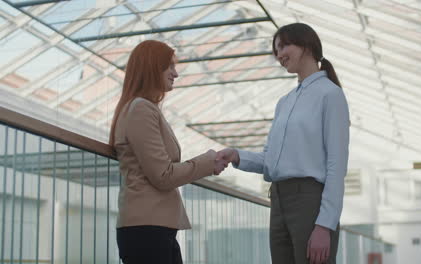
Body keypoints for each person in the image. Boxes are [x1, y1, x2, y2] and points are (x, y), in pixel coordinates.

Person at [217, 23, 350, 264]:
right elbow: (271, 160)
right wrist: (237, 155)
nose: (279, 55)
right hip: (278, 200)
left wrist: (324, 225)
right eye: (276, 50)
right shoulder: (285, 102)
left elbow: (336, 165)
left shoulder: (330, 95)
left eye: (284, 46)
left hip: (310, 201)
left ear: (307, 45)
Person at [109, 40, 227, 264]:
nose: (176, 73)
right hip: (146, 230)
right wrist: (208, 161)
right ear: (153, 67)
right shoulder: (141, 109)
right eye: (170, 66)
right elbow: (163, 175)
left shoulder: (143, 108)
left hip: (152, 228)